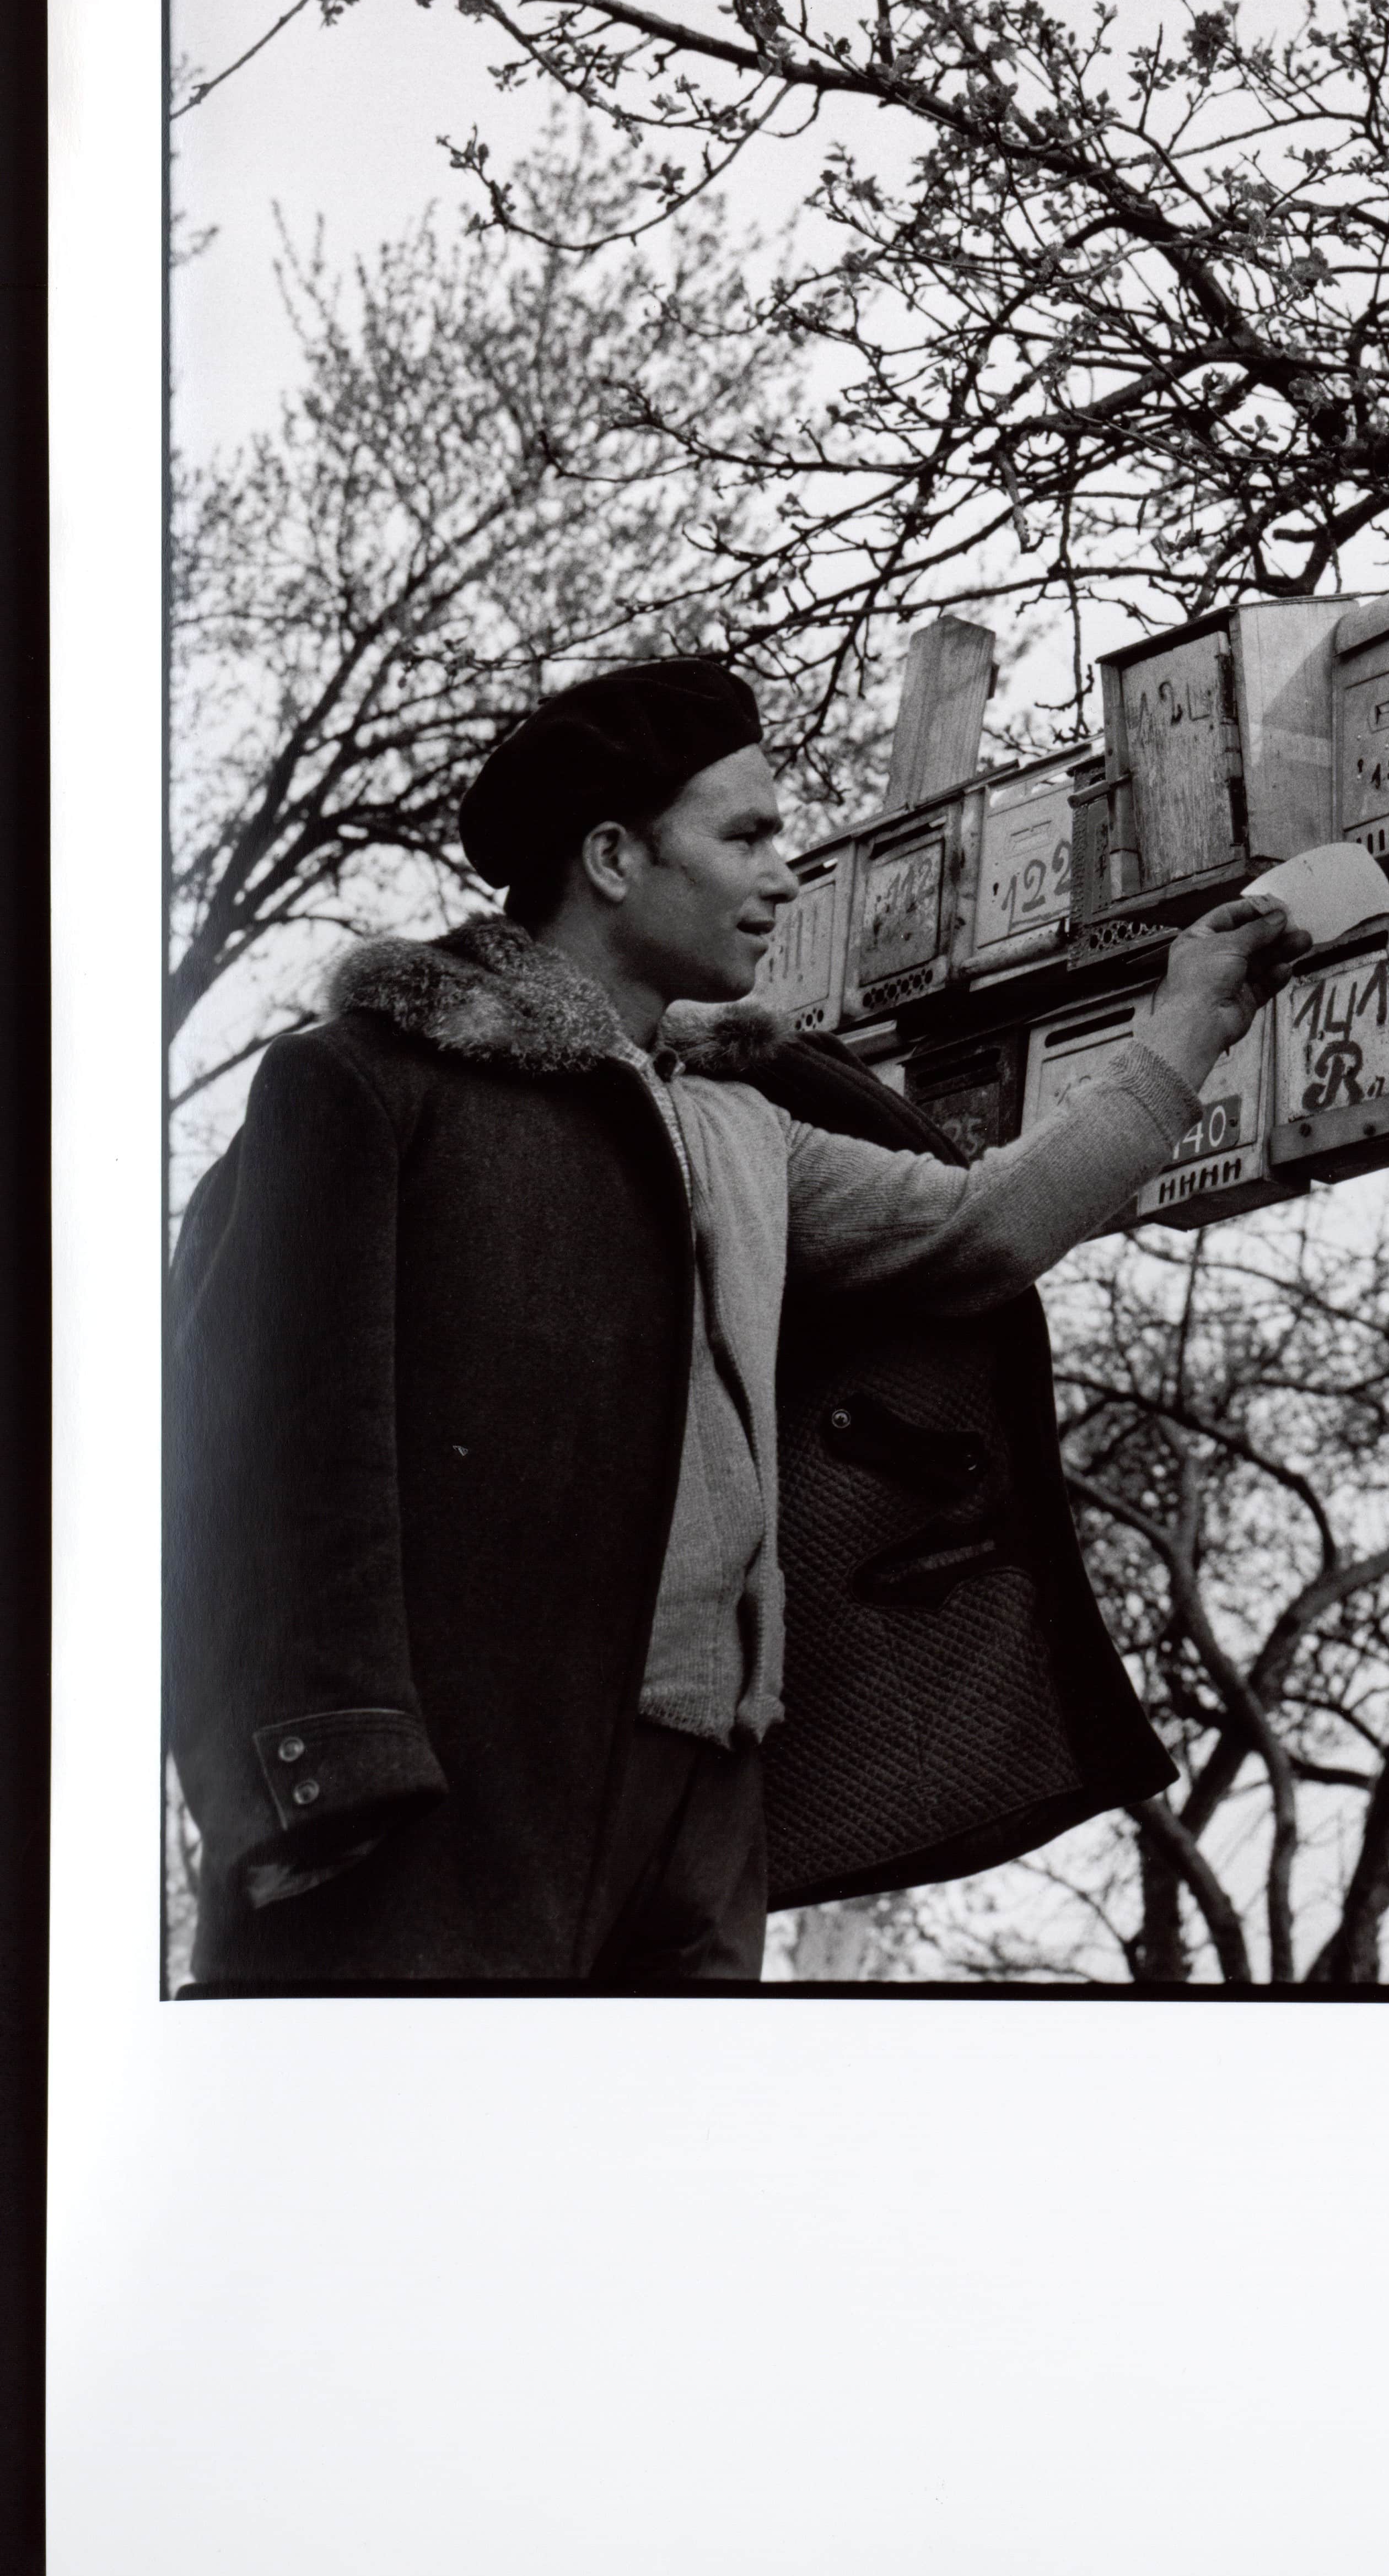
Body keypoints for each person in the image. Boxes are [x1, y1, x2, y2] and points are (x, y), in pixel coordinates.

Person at [165, 654, 1301, 1986]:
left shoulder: (739, 1122)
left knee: (657, 2186)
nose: (785, 872)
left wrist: (1188, 1027)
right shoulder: (367, 1085)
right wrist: (324, 1768)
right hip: (454, 1800)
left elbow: (983, 1227)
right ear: (610, 856)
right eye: (746, 834)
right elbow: (264, 1456)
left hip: (712, 1801)